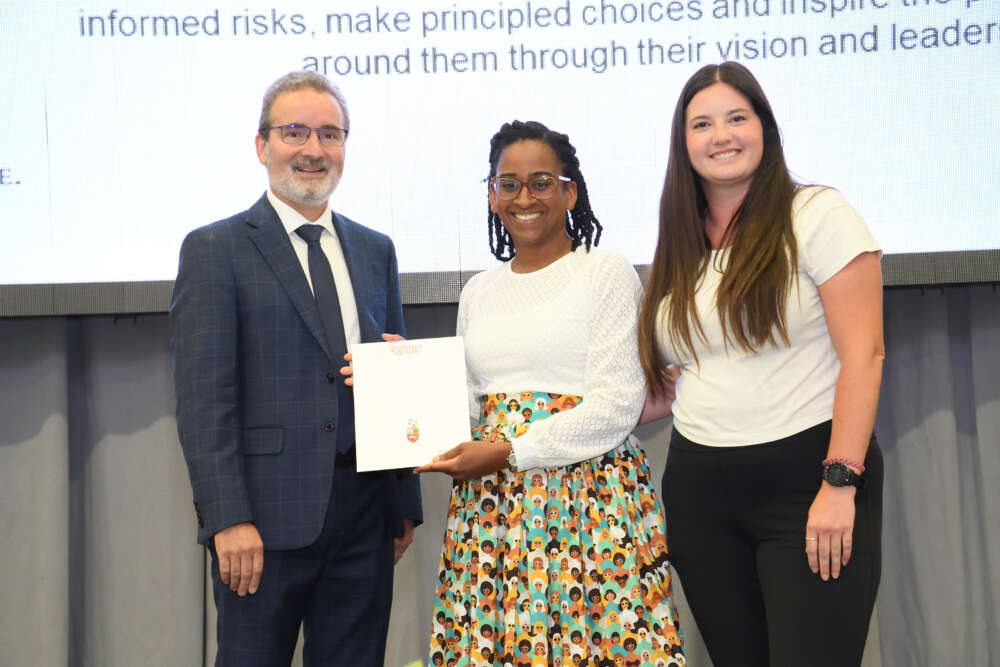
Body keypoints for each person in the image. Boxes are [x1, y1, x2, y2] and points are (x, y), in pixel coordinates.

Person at [169, 70, 421, 666]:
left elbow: (397, 368)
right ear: (262, 147)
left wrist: (402, 501)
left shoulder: (374, 248)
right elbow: (205, 402)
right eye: (295, 133)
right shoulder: (215, 249)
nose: (313, 150)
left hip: (365, 516)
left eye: (330, 135)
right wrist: (228, 519)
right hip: (261, 525)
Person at [637, 62, 884, 667]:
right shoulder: (679, 240)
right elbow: (681, 371)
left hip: (809, 482)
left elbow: (866, 355)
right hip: (701, 495)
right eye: (702, 124)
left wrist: (839, 482)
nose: (721, 136)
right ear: (684, 142)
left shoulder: (818, 215)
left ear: (765, 129)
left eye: (736, 118)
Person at [415, 120, 686, 665]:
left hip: (588, 505)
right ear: (492, 195)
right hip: (493, 512)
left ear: (569, 191)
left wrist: (511, 451)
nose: (524, 197)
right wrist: (411, 376)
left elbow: (615, 408)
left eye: (541, 182)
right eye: (508, 184)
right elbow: (468, 408)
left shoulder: (604, 272)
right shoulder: (478, 291)